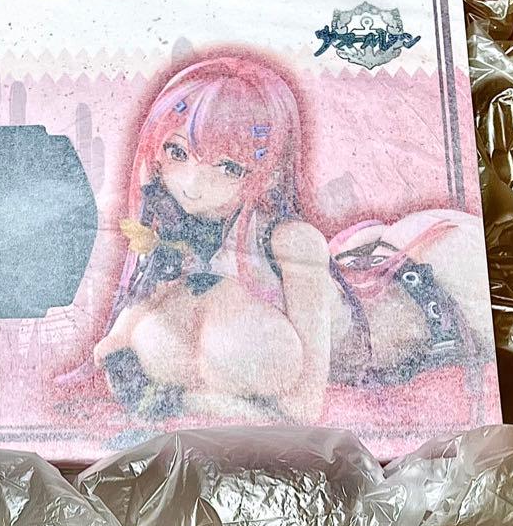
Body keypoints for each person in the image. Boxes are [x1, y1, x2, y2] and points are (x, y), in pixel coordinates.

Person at [94, 51, 492, 423]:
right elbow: (113, 348)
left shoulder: (291, 242)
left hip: (440, 293)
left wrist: (184, 401)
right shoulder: (179, 237)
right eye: (177, 152)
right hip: (361, 266)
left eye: (229, 167)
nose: (192, 185)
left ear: (266, 172)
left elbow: (304, 408)